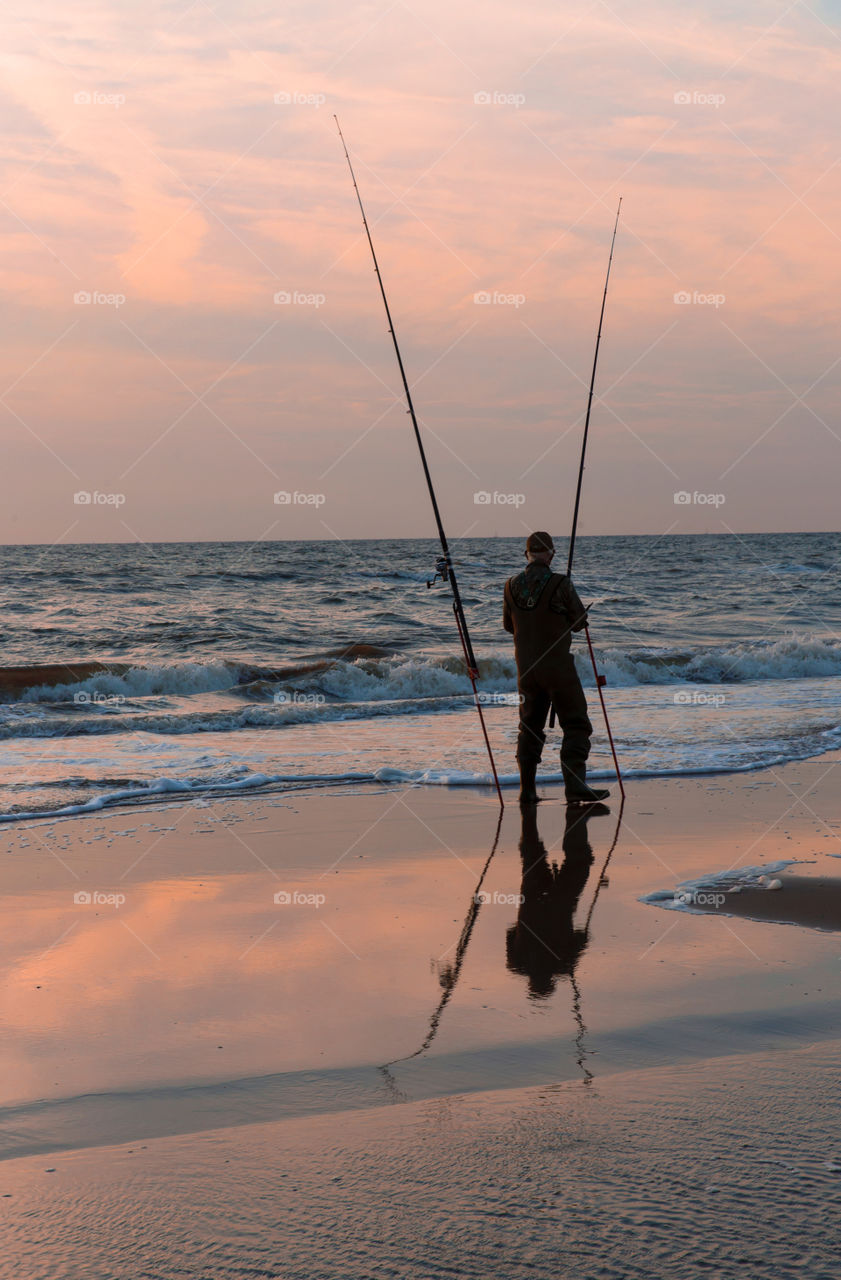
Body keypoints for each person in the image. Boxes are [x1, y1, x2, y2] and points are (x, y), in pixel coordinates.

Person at [503, 530, 609, 805]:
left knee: (529, 728)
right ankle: (575, 786)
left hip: (525, 671)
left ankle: (527, 791)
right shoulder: (561, 583)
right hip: (557, 669)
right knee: (576, 725)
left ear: (526, 554)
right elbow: (578, 623)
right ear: (550, 554)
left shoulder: (509, 585)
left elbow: (507, 625)